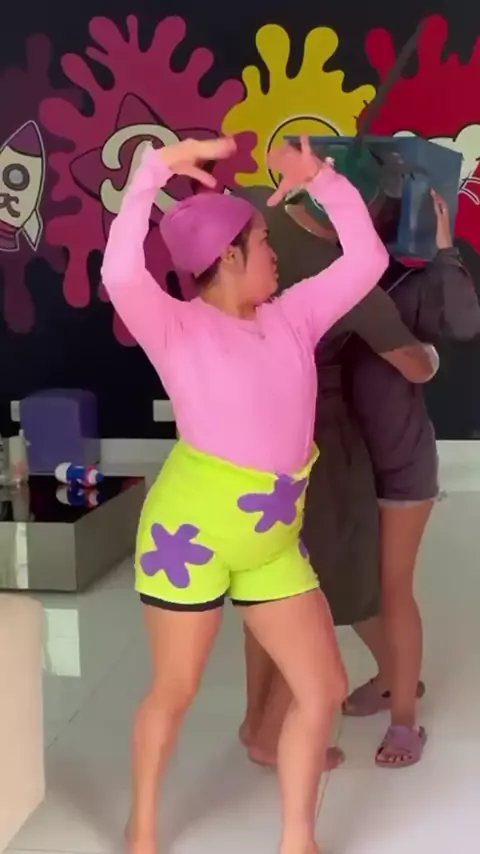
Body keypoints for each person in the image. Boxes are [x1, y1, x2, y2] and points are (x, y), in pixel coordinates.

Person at [101, 134, 389, 854]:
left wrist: (323, 179)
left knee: (322, 687)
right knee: (175, 690)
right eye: (263, 242)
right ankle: (142, 828)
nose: (275, 255)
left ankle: (298, 838)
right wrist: (151, 173)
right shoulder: (175, 325)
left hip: (270, 539)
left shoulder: (293, 317)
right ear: (228, 257)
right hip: (188, 536)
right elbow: (119, 270)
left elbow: (368, 261)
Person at [239, 188, 480, 771]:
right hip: (345, 461)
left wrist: (445, 252)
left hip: (397, 464)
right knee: (333, 588)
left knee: (389, 589)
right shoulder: (331, 278)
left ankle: (405, 721)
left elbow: (461, 325)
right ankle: (389, 681)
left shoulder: (402, 283)